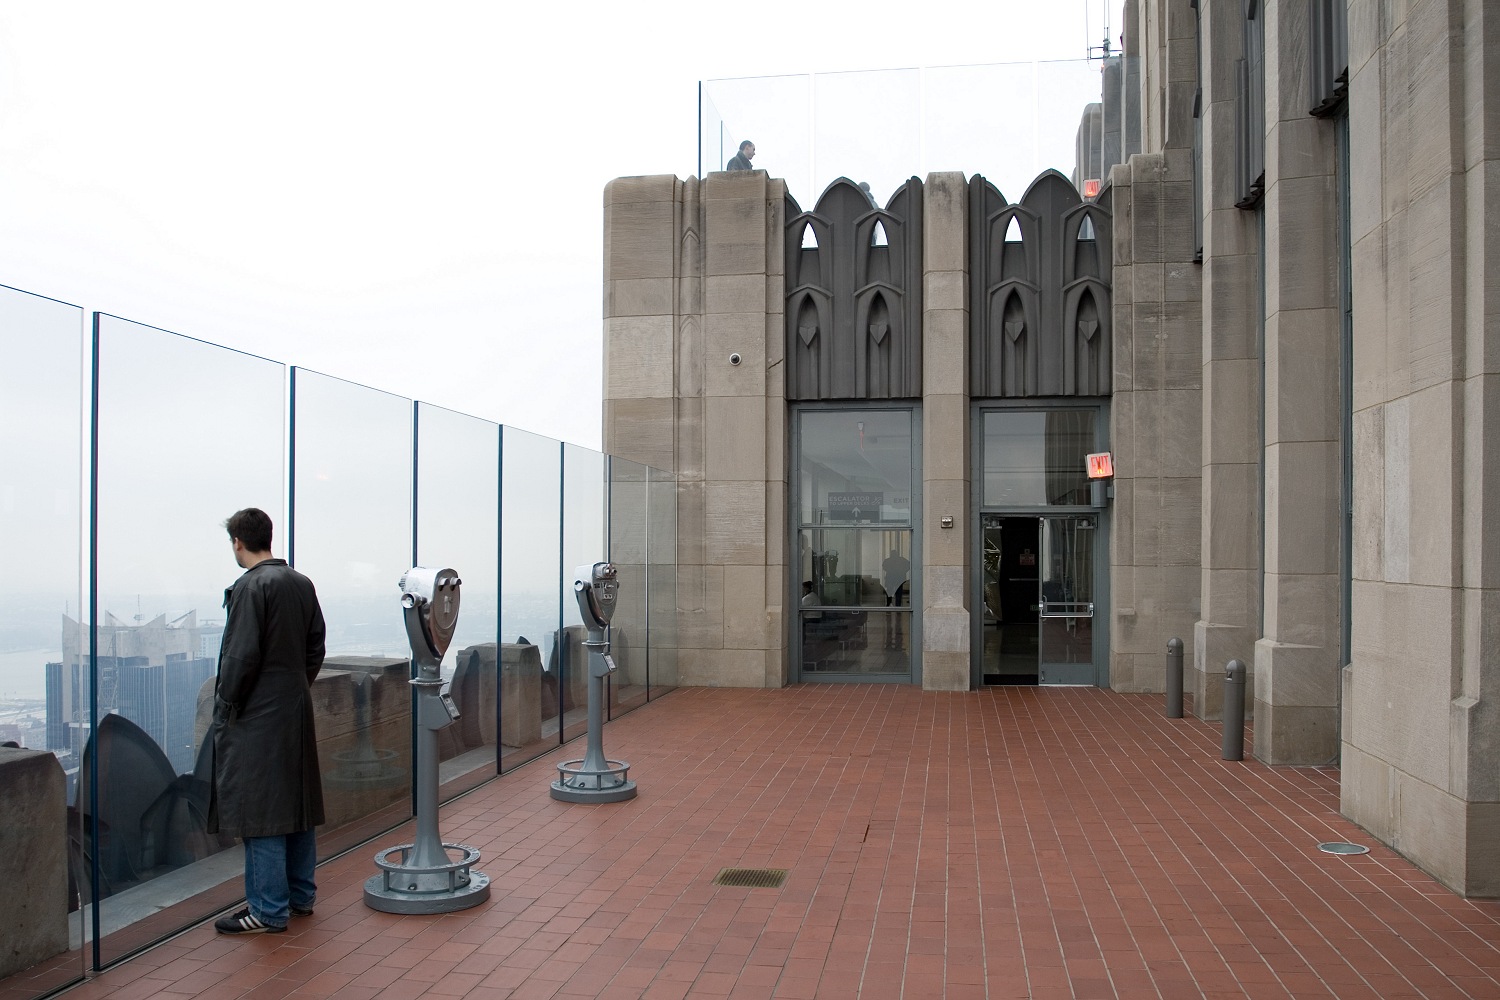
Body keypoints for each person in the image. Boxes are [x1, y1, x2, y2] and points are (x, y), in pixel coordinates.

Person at [209, 508, 327, 935]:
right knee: (296, 804)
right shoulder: (300, 582)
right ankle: (300, 896)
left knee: (260, 812)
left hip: (257, 718)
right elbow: (316, 646)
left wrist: (226, 704)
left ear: (238, 542)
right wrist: (294, 687)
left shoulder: (250, 586)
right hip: (293, 709)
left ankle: (266, 909)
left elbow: (240, 657)